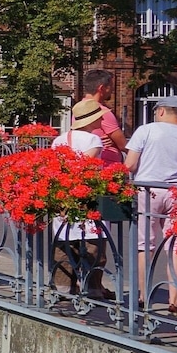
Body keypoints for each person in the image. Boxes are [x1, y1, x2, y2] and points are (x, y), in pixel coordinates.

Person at [125, 95, 177, 314]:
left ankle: (143, 296)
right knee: (176, 246)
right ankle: (174, 299)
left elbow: (130, 164)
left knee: (144, 245)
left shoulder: (146, 130)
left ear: (160, 111)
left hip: (148, 189)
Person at [51, 99, 116, 300]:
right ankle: (93, 288)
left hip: (63, 195)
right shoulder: (93, 140)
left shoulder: (59, 140)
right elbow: (85, 167)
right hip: (86, 194)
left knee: (65, 242)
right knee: (92, 243)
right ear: (92, 121)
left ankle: (62, 287)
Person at [78, 70, 128, 162]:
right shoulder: (103, 112)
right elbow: (124, 146)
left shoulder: (78, 110)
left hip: (87, 163)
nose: (112, 90)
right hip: (108, 165)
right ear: (101, 88)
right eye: (110, 87)